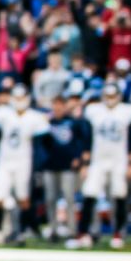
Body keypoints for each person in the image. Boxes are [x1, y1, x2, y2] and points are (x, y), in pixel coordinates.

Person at [76, 83, 131, 249]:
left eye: (113, 96)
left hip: (119, 159)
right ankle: (84, 232)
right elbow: (87, 136)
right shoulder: (94, 111)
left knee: (119, 195)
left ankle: (118, 232)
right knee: (89, 194)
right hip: (98, 159)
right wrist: (85, 162)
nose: (110, 100)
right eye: (108, 96)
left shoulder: (127, 111)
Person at [0, 85, 50, 243]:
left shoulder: (34, 117)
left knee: (23, 198)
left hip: (23, 160)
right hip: (4, 160)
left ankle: (22, 231)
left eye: (22, 98)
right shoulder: (3, 113)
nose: (19, 101)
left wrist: (38, 165)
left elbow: (41, 142)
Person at [42, 92, 91, 244]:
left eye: (60, 105)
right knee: (50, 199)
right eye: (55, 105)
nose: (57, 108)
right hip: (50, 165)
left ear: (64, 106)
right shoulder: (47, 123)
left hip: (68, 166)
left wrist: (78, 159)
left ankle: (72, 230)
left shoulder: (73, 123)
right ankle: (53, 229)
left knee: (69, 198)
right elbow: (42, 143)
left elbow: (80, 142)